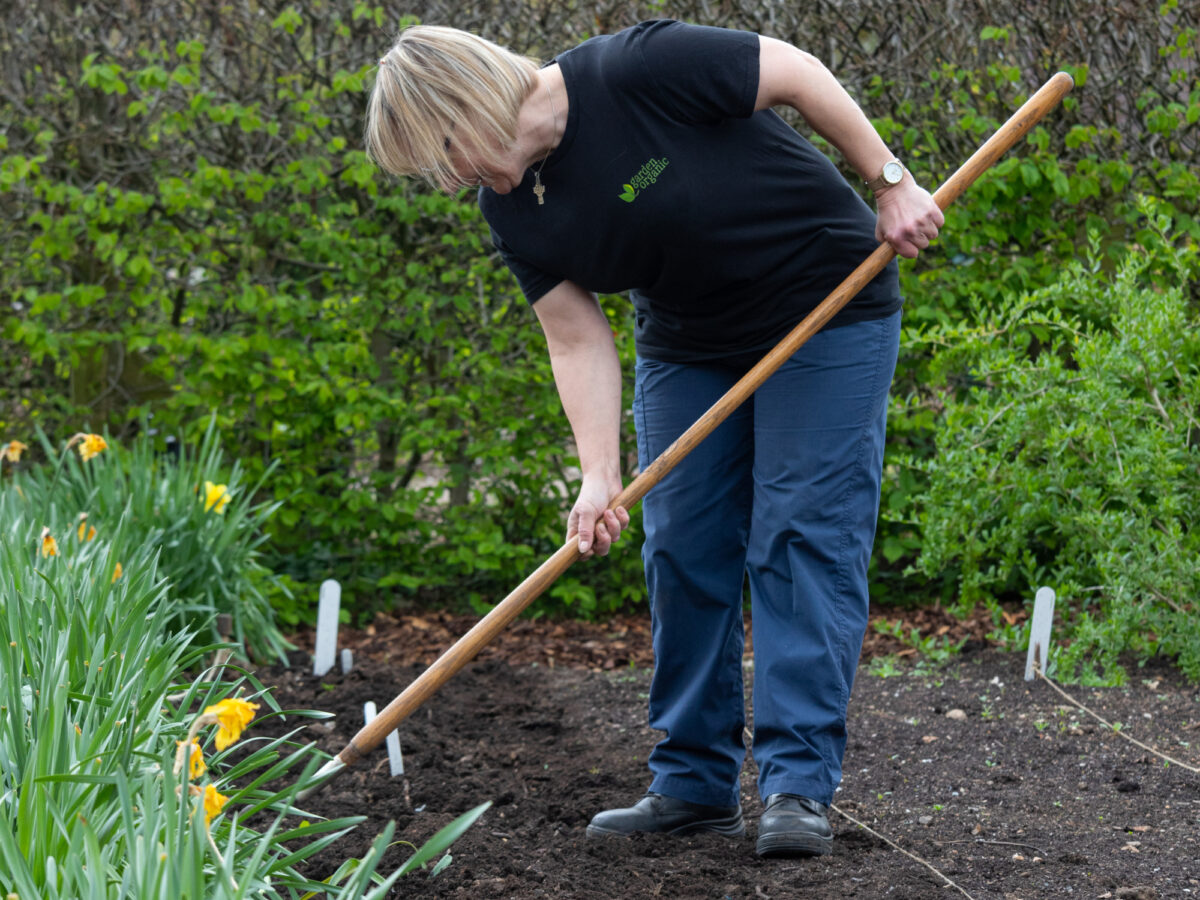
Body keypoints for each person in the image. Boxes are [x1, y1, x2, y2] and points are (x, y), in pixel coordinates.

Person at [366, 19, 943, 858]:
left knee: (800, 532)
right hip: (689, 342)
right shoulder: (510, 209)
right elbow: (575, 338)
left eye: (440, 152)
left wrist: (890, 181)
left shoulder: (634, 69)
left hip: (825, 306)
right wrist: (598, 475)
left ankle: (797, 786)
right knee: (681, 539)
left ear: (465, 103)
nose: (448, 179)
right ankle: (694, 783)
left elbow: (796, 71)